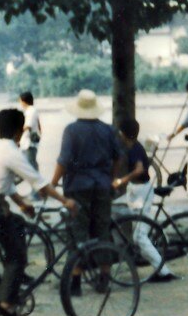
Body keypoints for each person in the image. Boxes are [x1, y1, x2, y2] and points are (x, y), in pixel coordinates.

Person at [0, 108, 77, 316]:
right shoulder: (12, 152)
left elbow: (5, 184)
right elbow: (38, 181)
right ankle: (5, 303)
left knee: (19, 224)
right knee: (18, 258)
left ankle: (13, 278)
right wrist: (64, 201)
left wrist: (22, 204)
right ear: (19, 132)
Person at [51, 90, 126, 294]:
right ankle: (104, 279)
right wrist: (111, 177)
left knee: (78, 233)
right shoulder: (108, 130)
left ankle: (75, 282)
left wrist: (52, 183)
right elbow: (118, 156)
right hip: (102, 186)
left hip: (78, 187)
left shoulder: (72, 130)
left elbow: (63, 161)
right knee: (102, 231)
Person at [114, 117, 176, 283]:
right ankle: (131, 250)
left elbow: (139, 169)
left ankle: (164, 272)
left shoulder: (134, 148)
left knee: (140, 236)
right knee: (117, 213)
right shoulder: (131, 146)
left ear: (123, 133)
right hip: (135, 191)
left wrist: (121, 181)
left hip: (141, 191)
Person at [17, 91, 42, 170]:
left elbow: (28, 126)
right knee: (28, 163)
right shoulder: (31, 110)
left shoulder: (31, 111)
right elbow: (39, 126)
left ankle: (39, 181)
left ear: (24, 101)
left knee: (30, 164)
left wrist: (17, 134)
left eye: (20, 101)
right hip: (28, 141)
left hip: (29, 142)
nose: (20, 103)